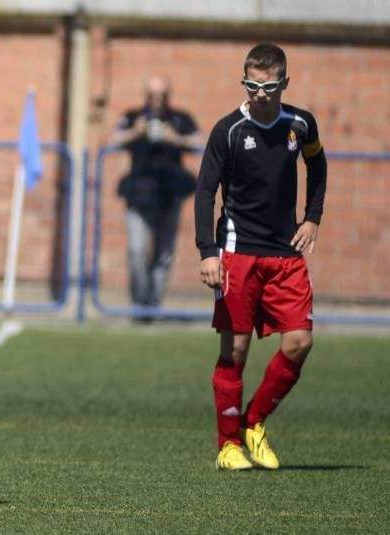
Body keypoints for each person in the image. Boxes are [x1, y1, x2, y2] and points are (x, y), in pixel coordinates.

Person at [194, 44, 327, 470]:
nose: (260, 93)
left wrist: (313, 218)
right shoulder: (228, 130)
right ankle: (228, 445)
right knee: (235, 351)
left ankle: (254, 421)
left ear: (284, 83)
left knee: (300, 342)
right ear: (244, 82)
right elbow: (204, 192)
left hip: (285, 255)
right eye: (252, 85)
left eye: (268, 86)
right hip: (236, 254)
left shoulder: (301, 124)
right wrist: (207, 253)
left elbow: (318, 165)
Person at [112, 76, 202, 319]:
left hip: (170, 193)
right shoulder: (133, 116)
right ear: (146, 95)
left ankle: (153, 306)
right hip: (138, 194)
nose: (157, 99)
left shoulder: (180, 118)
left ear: (168, 95)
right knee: (137, 251)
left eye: (161, 94)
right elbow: (114, 139)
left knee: (164, 253)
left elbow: (200, 141)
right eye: (152, 94)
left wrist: (177, 139)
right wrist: (136, 132)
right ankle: (139, 305)